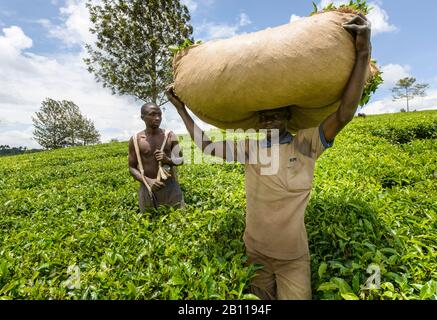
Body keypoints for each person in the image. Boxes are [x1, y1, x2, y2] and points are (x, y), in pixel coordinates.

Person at [165, 13, 371, 299]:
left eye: (277, 113)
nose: (270, 118)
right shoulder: (250, 149)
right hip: (255, 252)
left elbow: (345, 113)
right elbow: (207, 146)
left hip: (293, 258)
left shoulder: (306, 144)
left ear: (289, 116)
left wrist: (363, 53)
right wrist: (181, 110)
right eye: (264, 116)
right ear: (258, 122)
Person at [128, 102, 185, 212]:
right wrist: (148, 181)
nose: (157, 118)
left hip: (171, 188)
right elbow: (132, 167)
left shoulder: (170, 136)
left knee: (178, 221)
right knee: (149, 224)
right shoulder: (136, 140)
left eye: (159, 114)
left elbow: (181, 160)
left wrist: (167, 160)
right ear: (142, 117)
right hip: (147, 188)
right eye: (152, 114)